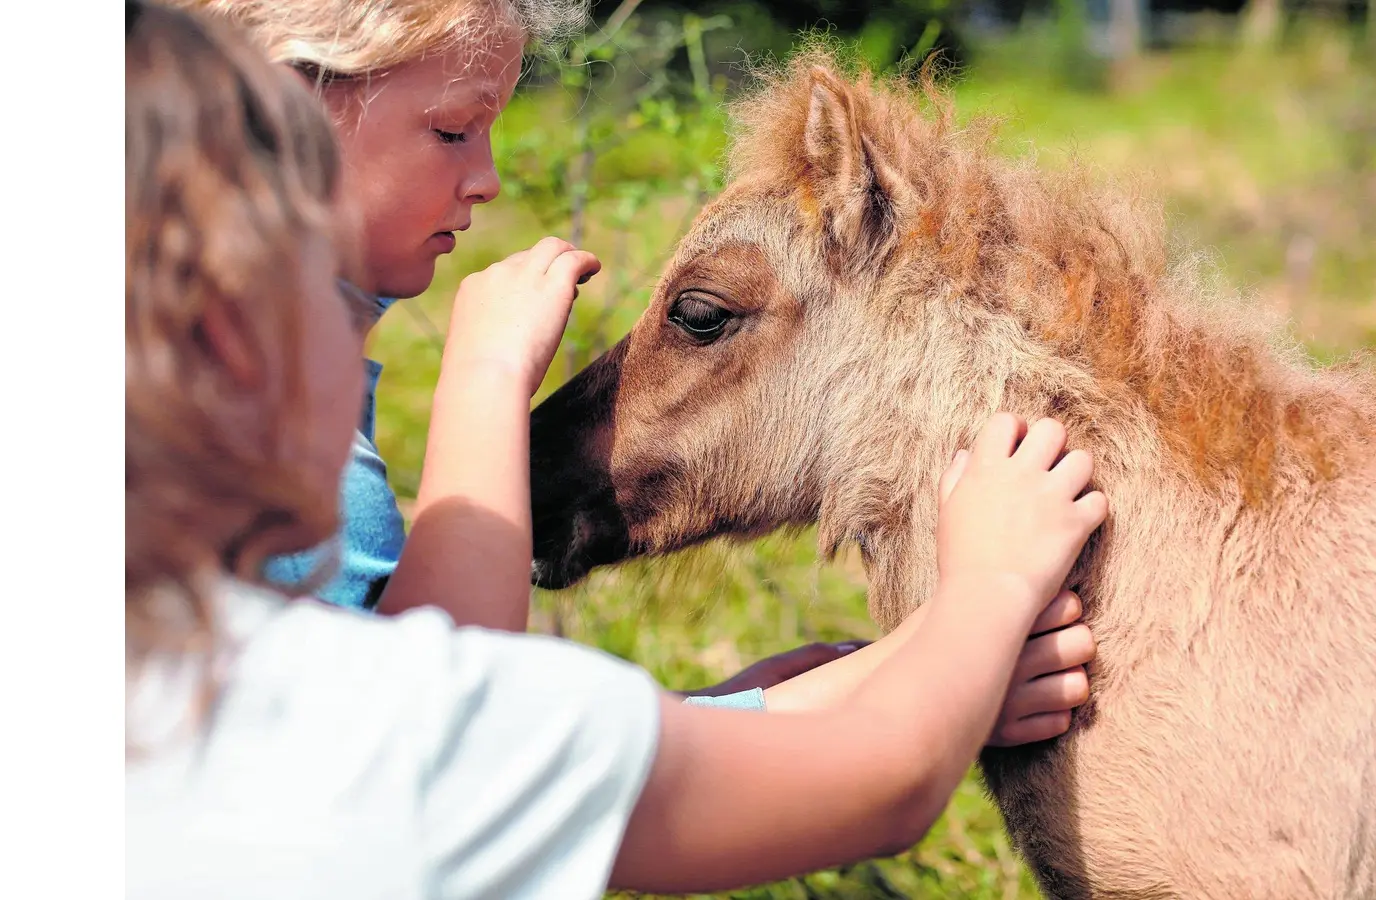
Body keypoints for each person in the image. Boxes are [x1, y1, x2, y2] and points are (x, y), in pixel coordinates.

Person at [124, 4, 1111, 895]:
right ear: (228, 351)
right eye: (333, 316)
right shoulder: (359, 730)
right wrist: (980, 595)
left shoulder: (154, 682)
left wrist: (840, 687)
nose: (489, 177)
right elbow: (462, 732)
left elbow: (475, 754)